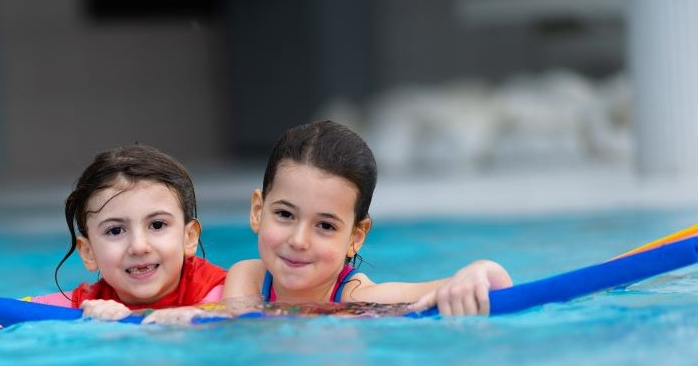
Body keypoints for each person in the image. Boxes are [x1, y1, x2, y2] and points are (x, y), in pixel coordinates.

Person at [0, 145, 226, 344]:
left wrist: (139, 317)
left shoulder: (220, 291)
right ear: (88, 252)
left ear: (189, 237)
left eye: (157, 225)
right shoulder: (82, 304)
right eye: (115, 231)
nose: (139, 245)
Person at [219, 119, 512, 315]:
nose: (298, 240)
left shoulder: (359, 298)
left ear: (355, 237)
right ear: (258, 211)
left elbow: (481, 286)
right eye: (284, 214)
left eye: (325, 225)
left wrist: (482, 270)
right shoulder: (249, 277)